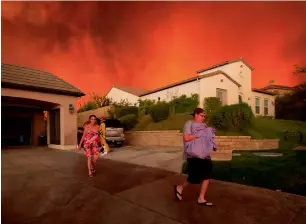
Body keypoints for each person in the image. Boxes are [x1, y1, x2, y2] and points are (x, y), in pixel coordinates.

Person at [173, 108, 216, 206]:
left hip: (204, 155)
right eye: (202, 115)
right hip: (193, 154)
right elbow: (187, 138)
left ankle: (201, 198)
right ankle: (179, 187)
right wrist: (200, 134)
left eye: (204, 116)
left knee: (207, 174)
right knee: (194, 177)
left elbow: (205, 139)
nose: (203, 118)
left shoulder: (203, 126)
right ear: (196, 114)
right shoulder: (189, 124)